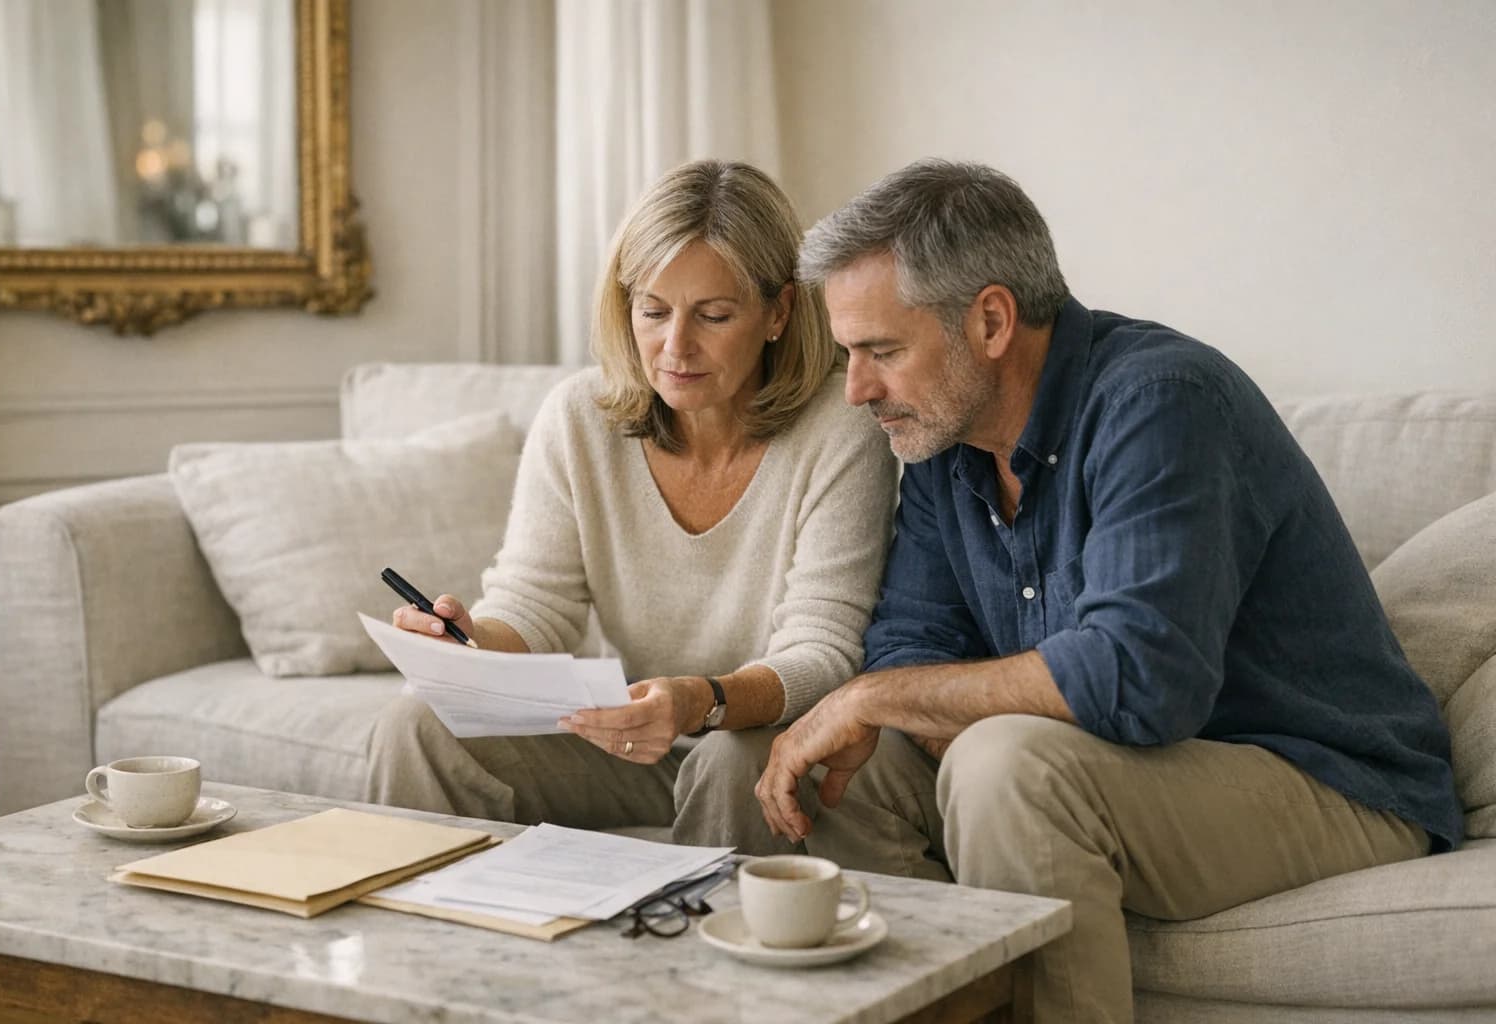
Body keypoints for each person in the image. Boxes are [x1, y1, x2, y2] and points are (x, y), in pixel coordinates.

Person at [751, 159, 1462, 1023]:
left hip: (1325, 777)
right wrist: (896, 701)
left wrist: (898, 700)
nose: (858, 390)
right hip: (1130, 771)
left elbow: (1139, 678)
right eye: (849, 355)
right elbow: (909, 640)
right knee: (825, 770)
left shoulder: (1162, 402)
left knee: (1004, 764)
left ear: (991, 320)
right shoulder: (938, 441)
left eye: (883, 351)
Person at [366, 159, 898, 853]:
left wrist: (700, 701)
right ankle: (426, 954)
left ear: (778, 312)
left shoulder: (842, 426)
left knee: (727, 758)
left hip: (759, 733)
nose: (675, 347)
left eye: (713, 314)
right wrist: (467, 645)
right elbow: (536, 605)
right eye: (652, 311)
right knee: (418, 726)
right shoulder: (579, 418)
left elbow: (823, 651)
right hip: (632, 738)